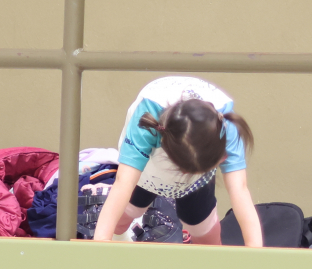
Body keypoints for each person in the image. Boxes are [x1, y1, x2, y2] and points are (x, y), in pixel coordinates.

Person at [91, 77, 262, 247]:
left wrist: (256, 250)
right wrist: (101, 243)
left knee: (207, 237)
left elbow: (239, 189)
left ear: (222, 157)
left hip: (197, 183)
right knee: (120, 220)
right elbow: (123, 182)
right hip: (148, 171)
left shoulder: (226, 126)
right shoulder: (146, 120)